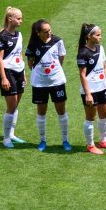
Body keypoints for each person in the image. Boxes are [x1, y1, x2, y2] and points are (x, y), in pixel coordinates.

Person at [26, 19, 71, 152]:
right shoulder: (33, 44)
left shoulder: (57, 41)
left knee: (61, 111)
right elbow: (30, 63)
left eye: (50, 30)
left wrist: (54, 71)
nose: (49, 33)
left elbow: (61, 58)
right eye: (45, 32)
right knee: (41, 112)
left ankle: (65, 140)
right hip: (40, 83)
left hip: (57, 82)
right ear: (38, 32)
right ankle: (42, 140)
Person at [76, 23, 106, 154]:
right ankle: (90, 145)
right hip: (90, 91)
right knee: (90, 118)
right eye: (98, 35)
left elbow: (104, 67)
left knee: (104, 115)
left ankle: (103, 141)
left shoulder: (100, 48)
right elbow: (82, 75)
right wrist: (88, 94)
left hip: (102, 88)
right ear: (89, 36)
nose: (100, 37)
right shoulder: (83, 53)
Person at [0, 6, 27, 148]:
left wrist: (24, 72)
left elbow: (19, 54)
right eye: (18, 18)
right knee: (11, 105)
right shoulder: (2, 36)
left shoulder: (19, 35)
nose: (21, 21)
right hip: (8, 72)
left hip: (19, 71)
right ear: (10, 19)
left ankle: (12, 134)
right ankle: (6, 138)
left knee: (16, 104)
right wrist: (4, 78)